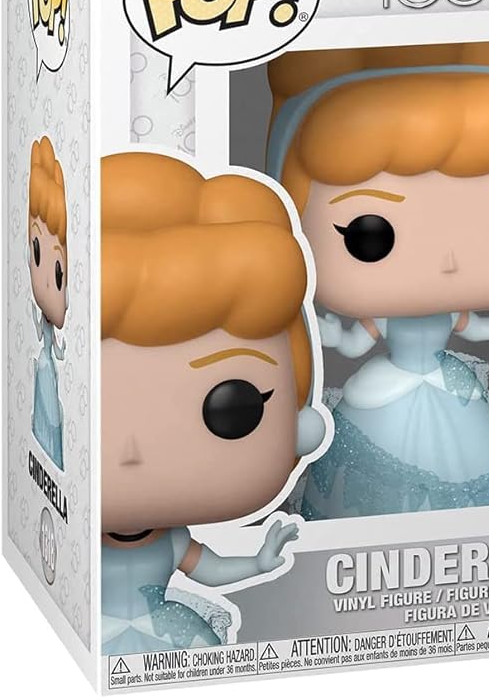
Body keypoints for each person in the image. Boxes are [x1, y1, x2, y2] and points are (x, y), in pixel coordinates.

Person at [265, 41, 489, 518]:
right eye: (370, 234)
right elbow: (356, 342)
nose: (449, 261)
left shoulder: (448, 313)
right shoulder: (384, 318)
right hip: (385, 392)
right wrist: (328, 336)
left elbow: (474, 328)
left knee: (468, 462)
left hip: (450, 390)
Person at [101, 153, 328, 653]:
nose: (133, 451)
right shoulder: (80, 537)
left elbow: (212, 570)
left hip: (168, 639)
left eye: (233, 408)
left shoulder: (172, 541)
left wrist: (260, 562)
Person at [29, 136, 68, 471]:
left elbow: (55, 347)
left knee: (52, 414)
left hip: (48, 367)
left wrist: (61, 350)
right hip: (45, 368)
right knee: (46, 412)